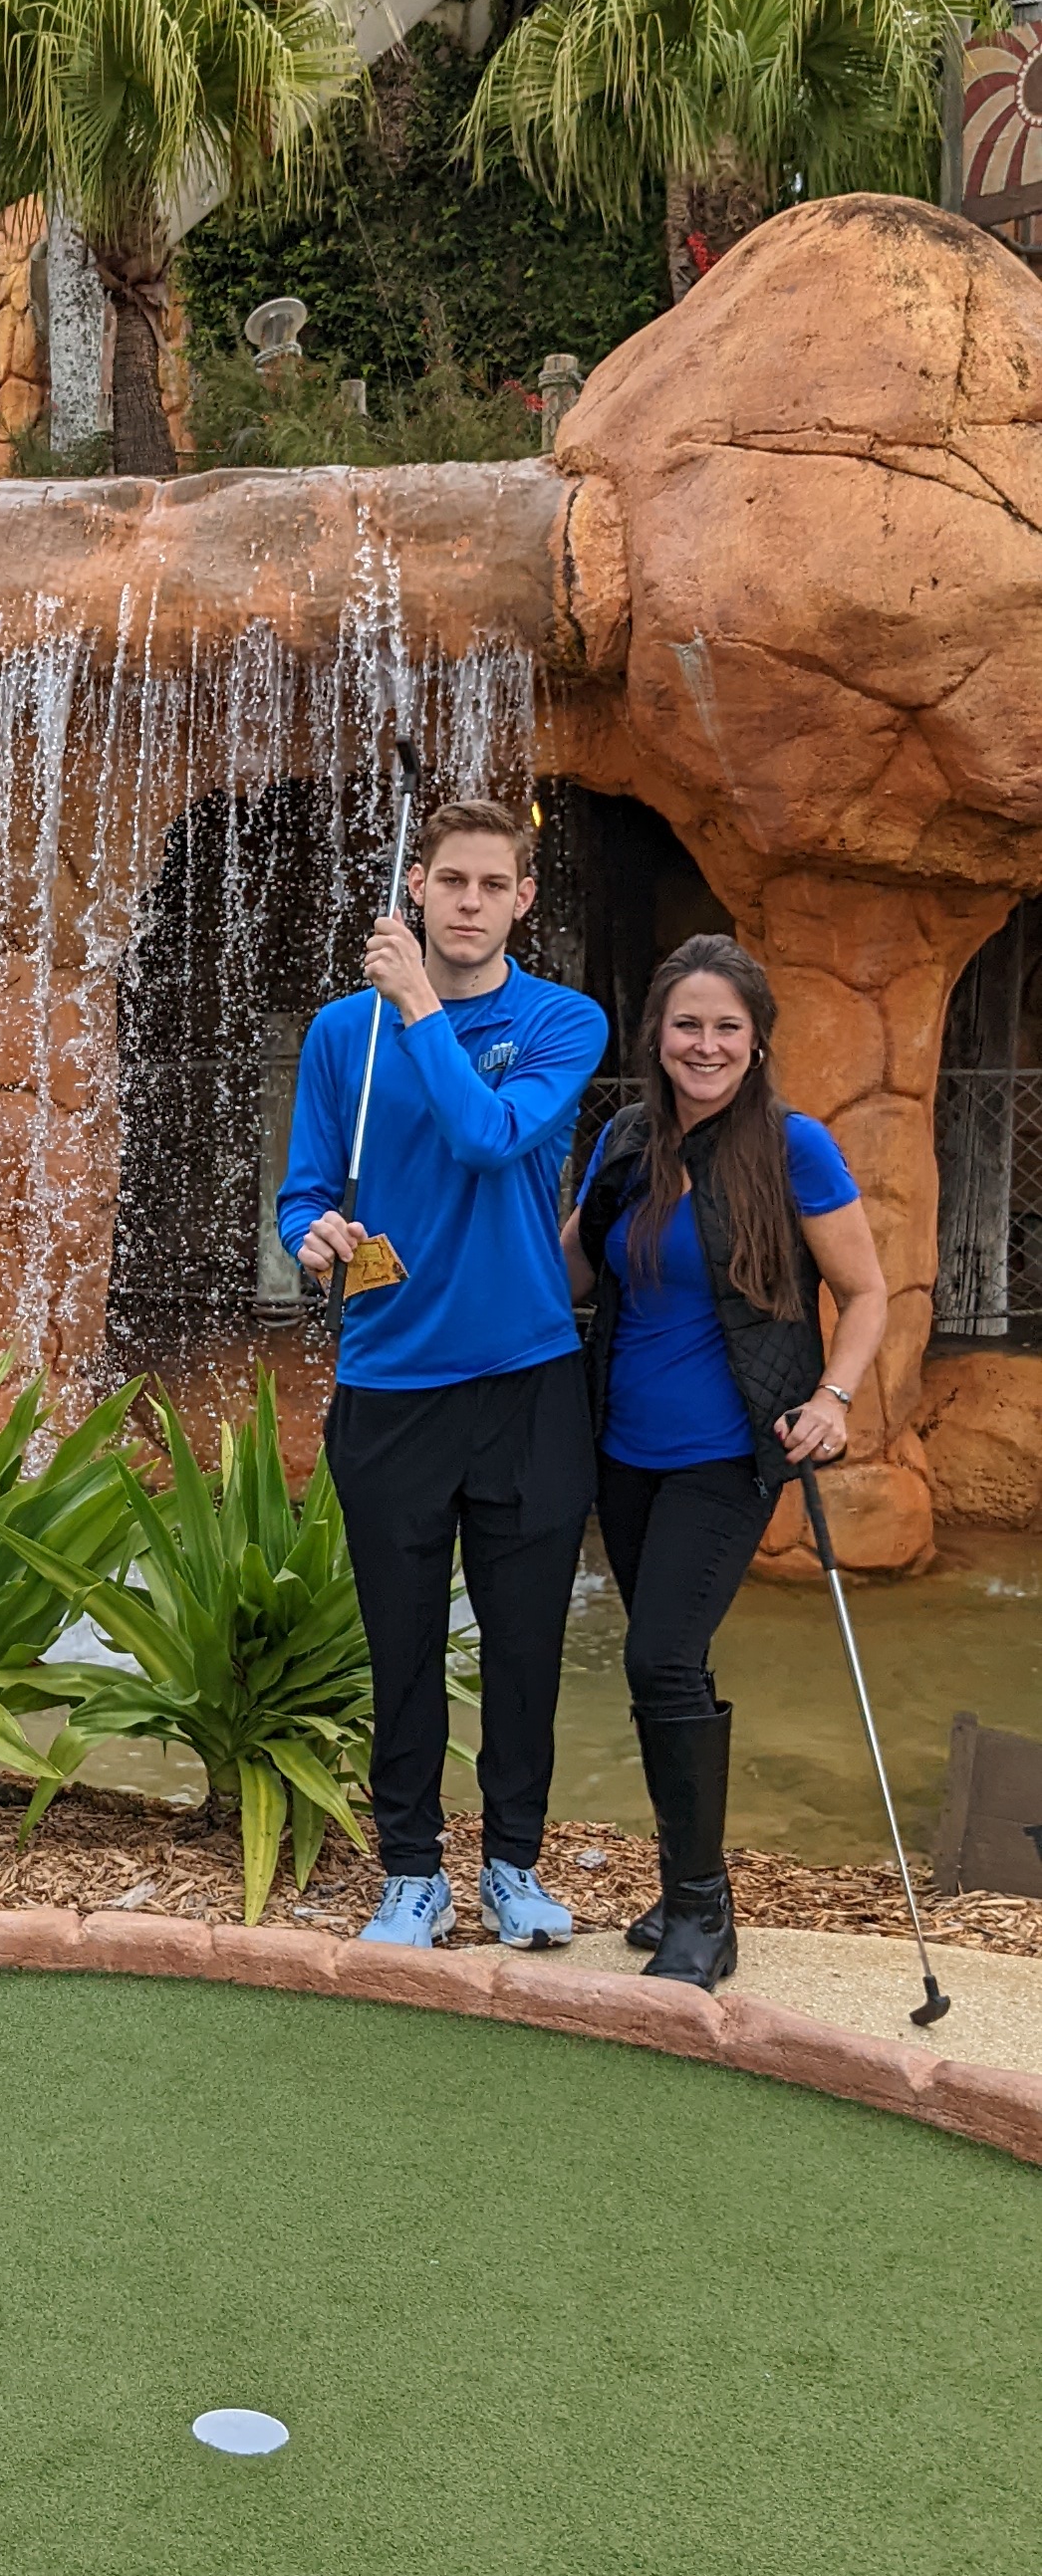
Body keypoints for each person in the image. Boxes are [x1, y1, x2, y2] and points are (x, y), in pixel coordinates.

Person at [280, 799, 609, 1953]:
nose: (470, 903)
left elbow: (489, 1137)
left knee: (523, 1646)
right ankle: (412, 1874)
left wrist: (419, 1004)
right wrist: (312, 1234)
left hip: (527, 1382)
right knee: (403, 1642)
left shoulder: (563, 1021)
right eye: (450, 881)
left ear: (524, 900)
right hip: (390, 1384)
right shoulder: (341, 1034)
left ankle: (513, 1865)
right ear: (414, 886)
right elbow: (304, 1189)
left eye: (492, 885)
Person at [563, 936, 889, 1991]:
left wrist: (834, 1399)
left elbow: (866, 1294)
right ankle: (685, 1891)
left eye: (726, 1027)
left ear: (756, 1041)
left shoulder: (795, 1148)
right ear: (657, 1036)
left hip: (730, 1451)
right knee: (673, 1664)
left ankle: (703, 1911)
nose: (704, 1045)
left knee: (658, 1659)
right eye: (687, 1025)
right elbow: (568, 1268)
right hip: (624, 1451)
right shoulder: (626, 1141)